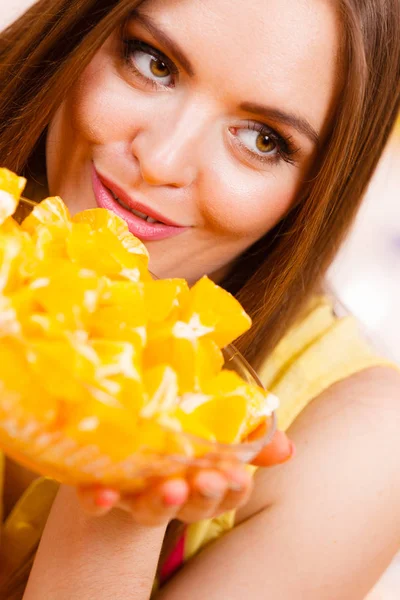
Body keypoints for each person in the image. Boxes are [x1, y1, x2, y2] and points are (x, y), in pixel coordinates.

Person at [0, 0, 399, 598]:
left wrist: (127, 493)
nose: (160, 162)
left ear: (316, 193)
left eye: (263, 139)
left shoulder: (363, 442)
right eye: (153, 62)